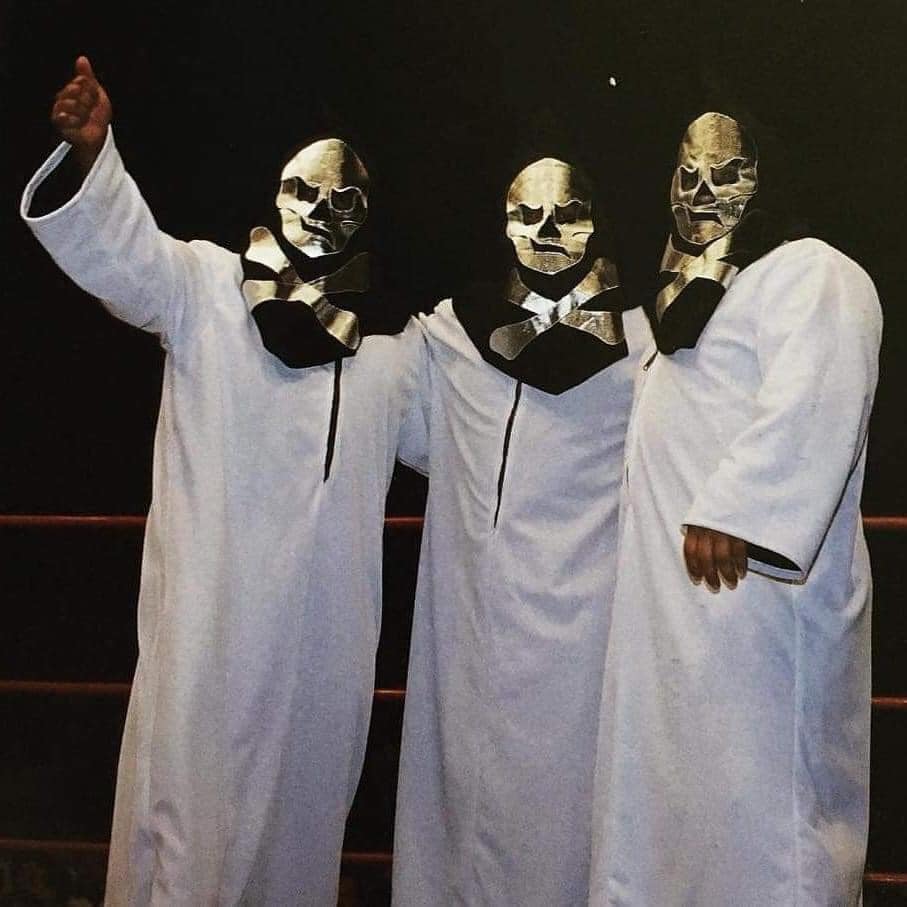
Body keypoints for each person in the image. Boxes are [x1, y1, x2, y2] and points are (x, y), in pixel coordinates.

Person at [21, 56, 422, 905]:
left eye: (343, 199)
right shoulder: (205, 287)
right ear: (274, 194)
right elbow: (124, 255)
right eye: (304, 191)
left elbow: (486, 433)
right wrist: (95, 153)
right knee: (185, 843)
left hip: (324, 651)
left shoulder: (391, 353)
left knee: (300, 841)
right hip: (212, 640)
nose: (321, 211)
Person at [588, 111, 882, 905]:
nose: (702, 191)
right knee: (665, 805)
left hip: (754, 596)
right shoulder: (685, 300)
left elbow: (818, 392)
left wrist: (740, 508)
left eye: (726, 173)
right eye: (686, 174)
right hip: (669, 607)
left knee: (769, 813)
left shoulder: (809, 269)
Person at [392, 154, 650, 905]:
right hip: (471, 624)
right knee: (461, 812)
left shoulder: (646, 343)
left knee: (573, 815)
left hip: (591, 631)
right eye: (527, 214)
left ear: (597, 223)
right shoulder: (449, 336)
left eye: (567, 214)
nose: (546, 231)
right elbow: (402, 428)